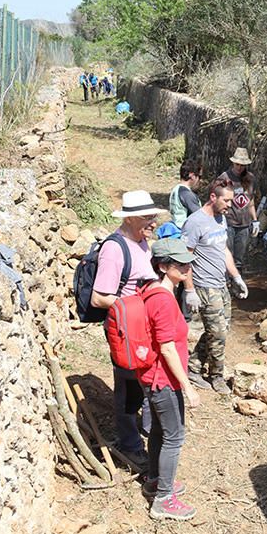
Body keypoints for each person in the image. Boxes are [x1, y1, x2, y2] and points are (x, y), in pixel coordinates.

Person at [91, 190, 160, 469]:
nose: (153, 222)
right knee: (129, 386)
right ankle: (130, 444)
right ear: (130, 218)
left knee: (146, 377)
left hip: (142, 326)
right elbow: (99, 297)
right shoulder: (114, 249)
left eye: (153, 216)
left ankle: (148, 431)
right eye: (147, 217)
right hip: (126, 331)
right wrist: (134, 306)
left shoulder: (141, 242)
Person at [137, 238, 202, 520]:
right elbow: (166, 348)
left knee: (160, 432)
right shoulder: (163, 300)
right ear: (163, 267)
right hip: (163, 380)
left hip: (152, 377)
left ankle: (155, 480)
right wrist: (188, 387)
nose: (186, 268)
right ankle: (164, 500)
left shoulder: (152, 290)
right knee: (174, 437)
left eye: (187, 263)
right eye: (179, 264)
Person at [180, 181, 249, 395]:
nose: (230, 205)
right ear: (213, 197)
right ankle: (216, 376)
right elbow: (185, 258)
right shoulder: (195, 222)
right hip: (204, 286)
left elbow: (224, 250)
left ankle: (193, 367)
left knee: (219, 330)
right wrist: (189, 290)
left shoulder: (221, 218)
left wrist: (236, 277)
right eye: (226, 200)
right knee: (218, 333)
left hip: (221, 285)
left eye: (230, 200)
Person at [216, 148, 259, 271]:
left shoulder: (250, 178)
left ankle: (237, 279)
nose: (239, 167)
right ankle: (226, 279)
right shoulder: (224, 178)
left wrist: (255, 220)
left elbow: (250, 201)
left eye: (242, 165)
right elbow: (217, 199)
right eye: (237, 164)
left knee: (239, 258)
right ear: (233, 163)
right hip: (228, 223)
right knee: (227, 254)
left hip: (244, 224)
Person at [159, 159, 202, 240]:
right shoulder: (187, 194)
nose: (200, 180)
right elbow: (200, 215)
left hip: (176, 227)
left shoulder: (176, 189)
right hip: (184, 233)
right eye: (199, 176)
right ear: (192, 175)